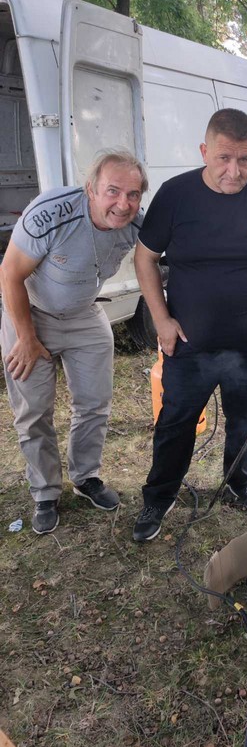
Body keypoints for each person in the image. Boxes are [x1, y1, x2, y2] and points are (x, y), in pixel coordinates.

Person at [133, 108, 247, 542]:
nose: (234, 171)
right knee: (175, 425)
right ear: (204, 151)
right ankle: (158, 498)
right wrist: (160, 319)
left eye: (245, 159)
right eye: (223, 159)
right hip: (187, 348)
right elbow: (145, 256)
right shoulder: (176, 195)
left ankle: (240, 482)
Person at [0, 150, 147, 534]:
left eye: (133, 194)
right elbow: (9, 274)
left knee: (95, 403)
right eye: (112, 191)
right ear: (90, 190)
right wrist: (27, 338)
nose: (123, 203)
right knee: (33, 412)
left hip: (84, 313)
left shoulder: (136, 224)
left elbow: (167, 255)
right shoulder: (51, 213)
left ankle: (86, 477)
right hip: (30, 313)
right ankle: (45, 492)